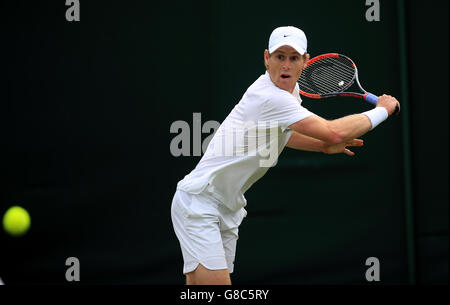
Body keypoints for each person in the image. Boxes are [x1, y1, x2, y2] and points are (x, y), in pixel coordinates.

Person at [170, 26, 400, 285]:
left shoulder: (288, 93)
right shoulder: (271, 98)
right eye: (279, 57)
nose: (286, 65)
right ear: (267, 58)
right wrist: (382, 110)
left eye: (293, 57)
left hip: (224, 205)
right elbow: (334, 132)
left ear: (305, 61)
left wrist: (321, 147)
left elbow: (285, 134)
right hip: (200, 203)